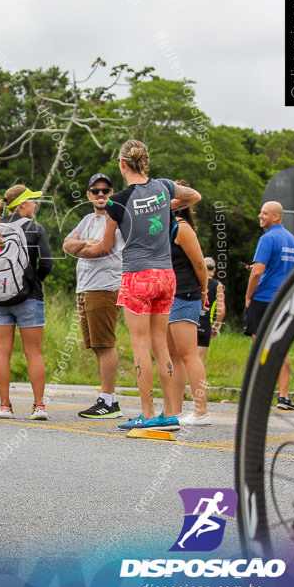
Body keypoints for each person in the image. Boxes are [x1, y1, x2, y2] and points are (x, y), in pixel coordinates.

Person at [78, 140, 201, 431]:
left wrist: (83, 247)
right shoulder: (164, 187)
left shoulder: (116, 202)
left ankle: (146, 414)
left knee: (140, 347)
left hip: (137, 276)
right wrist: (166, 208)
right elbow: (194, 196)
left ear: (122, 165)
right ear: (145, 162)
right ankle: (170, 413)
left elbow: (107, 246)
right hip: (166, 276)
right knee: (162, 347)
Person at [62, 173, 125, 419]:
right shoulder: (88, 218)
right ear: (88, 194)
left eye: (105, 191)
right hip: (85, 287)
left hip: (105, 286)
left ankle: (109, 401)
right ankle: (107, 398)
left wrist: (83, 247)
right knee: (96, 345)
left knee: (105, 343)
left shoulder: (115, 218)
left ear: (111, 194)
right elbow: (67, 245)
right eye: (96, 191)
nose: (101, 195)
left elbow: (102, 249)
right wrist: (85, 245)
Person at [0, 185, 52, 421]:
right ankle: (38, 406)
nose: (35, 204)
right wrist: (32, 282)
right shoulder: (34, 228)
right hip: (29, 298)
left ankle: (5, 406)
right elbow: (46, 263)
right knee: (33, 353)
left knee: (2, 353)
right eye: (32, 201)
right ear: (22, 204)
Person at [244, 201, 294, 410]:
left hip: (264, 298)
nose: (260, 216)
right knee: (281, 348)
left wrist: (249, 297)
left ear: (276, 217)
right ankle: (283, 397)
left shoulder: (267, 238)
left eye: (265, 213)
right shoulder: (292, 240)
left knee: (262, 348)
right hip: (284, 300)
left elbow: (257, 272)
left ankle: (259, 395)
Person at [165, 203, 211, 427]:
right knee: (173, 357)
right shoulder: (164, 226)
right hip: (167, 295)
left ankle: (201, 410)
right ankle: (175, 411)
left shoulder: (182, 228)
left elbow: (201, 265)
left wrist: (204, 292)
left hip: (185, 294)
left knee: (189, 354)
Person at [197, 257, 225, 364]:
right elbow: (221, 309)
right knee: (199, 362)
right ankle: (198, 381)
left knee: (185, 361)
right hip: (205, 324)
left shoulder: (194, 282)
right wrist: (216, 327)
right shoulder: (218, 285)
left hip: (190, 322)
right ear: (214, 270)